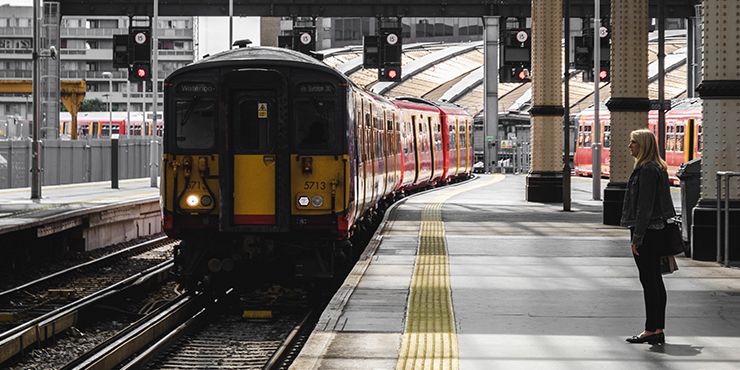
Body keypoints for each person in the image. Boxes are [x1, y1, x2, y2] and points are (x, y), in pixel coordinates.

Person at [621, 129, 676, 345]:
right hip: (657, 230)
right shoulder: (658, 168)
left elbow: (644, 207)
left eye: (633, 142)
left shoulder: (646, 170)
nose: (630, 146)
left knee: (649, 281)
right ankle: (657, 328)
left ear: (643, 145)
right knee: (655, 281)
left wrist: (638, 237)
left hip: (648, 232)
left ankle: (650, 330)